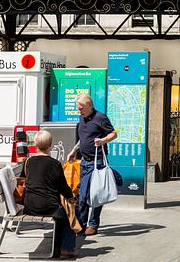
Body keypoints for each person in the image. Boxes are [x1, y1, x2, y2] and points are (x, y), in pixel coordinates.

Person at [66, 94, 117, 236]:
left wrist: (103, 140)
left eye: (81, 108)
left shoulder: (101, 118)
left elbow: (114, 134)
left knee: (96, 194)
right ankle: (81, 224)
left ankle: (93, 225)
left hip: (97, 162)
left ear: (89, 105)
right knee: (82, 194)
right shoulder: (82, 118)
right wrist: (73, 150)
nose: (79, 112)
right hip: (84, 161)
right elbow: (83, 139)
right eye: (78, 109)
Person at [25, 130, 79, 259]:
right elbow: (63, 188)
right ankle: (66, 249)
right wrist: (72, 198)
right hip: (48, 207)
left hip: (30, 206)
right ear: (50, 145)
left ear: (36, 145)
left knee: (63, 212)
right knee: (70, 213)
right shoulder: (55, 164)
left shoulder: (29, 162)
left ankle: (59, 247)